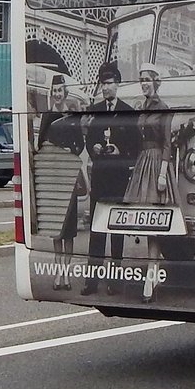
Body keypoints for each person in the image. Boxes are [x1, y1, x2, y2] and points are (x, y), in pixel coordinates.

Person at [81, 64, 140, 295]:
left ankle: (115, 280)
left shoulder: (127, 112)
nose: (106, 88)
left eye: (110, 83)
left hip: (117, 176)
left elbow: (135, 146)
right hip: (100, 177)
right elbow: (89, 140)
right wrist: (93, 146)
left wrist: (119, 151)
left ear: (118, 85)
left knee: (115, 229)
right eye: (103, 84)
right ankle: (92, 280)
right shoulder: (94, 110)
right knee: (97, 230)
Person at [124, 64, 177, 302]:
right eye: (141, 79)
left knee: (154, 222)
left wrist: (163, 173)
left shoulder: (163, 108)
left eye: (147, 79)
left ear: (156, 81)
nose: (144, 83)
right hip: (143, 162)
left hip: (156, 164)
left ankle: (151, 275)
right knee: (146, 222)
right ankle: (153, 273)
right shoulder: (142, 108)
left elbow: (167, 143)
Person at [37, 74, 84, 290]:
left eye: (60, 90)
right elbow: (40, 145)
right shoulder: (47, 117)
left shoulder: (72, 116)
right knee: (57, 228)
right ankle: (58, 273)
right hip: (54, 178)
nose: (57, 94)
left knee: (69, 231)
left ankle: (66, 275)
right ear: (52, 93)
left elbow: (80, 144)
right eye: (54, 90)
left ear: (65, 92)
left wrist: (70, 152)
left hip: (69, 175)